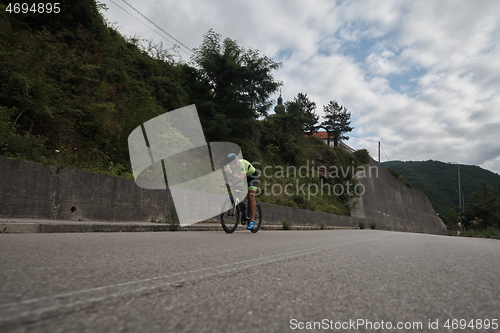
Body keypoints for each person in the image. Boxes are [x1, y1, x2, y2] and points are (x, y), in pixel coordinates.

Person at [224, 153, 259, 230]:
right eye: (229, 164)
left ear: (236, 162)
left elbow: (240, 178)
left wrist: (232, 173)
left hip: (251, 177)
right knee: (236, 189)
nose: (230, 166)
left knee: (250, 196)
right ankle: (242, 205)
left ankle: (252, 220)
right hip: (241, 177)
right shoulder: (228, 165)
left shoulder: (242, 164)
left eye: (232, 164)